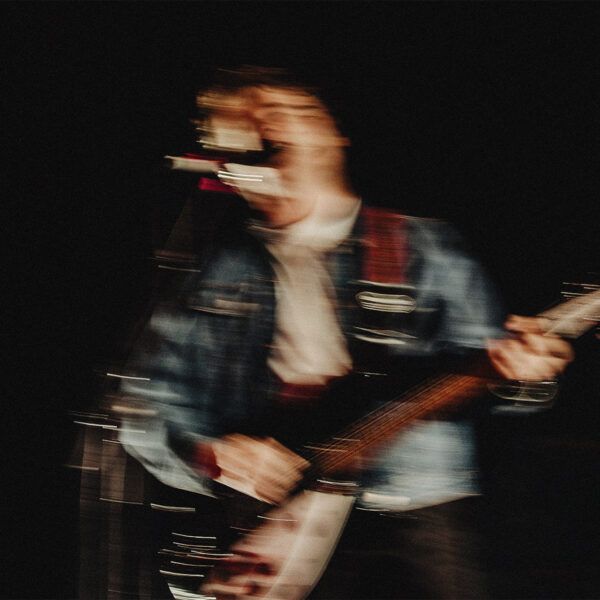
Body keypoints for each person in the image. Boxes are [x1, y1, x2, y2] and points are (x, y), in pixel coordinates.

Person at [110, 66, 573, 599]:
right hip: (271, 525)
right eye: (237, 128)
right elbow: (145, 405)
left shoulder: (422, 247)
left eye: (280, 114)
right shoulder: (211, 270)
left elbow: (494, 371)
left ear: (331, 131)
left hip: (413, 510)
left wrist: (526, 373)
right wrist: (212, 455)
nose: (261, 132)